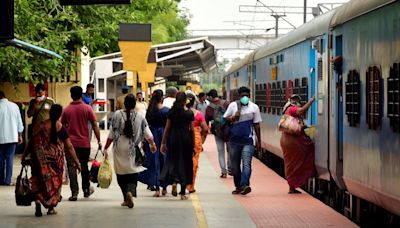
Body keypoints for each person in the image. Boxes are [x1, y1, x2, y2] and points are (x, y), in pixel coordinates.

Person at [21, 104, 81, 217]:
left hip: (38, 159)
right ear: (60, 114)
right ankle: (51, 208)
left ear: (50, 113)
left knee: (38, 179)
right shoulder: (61, 127)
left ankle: (38, 201)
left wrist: (24, 155)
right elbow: (69, 146)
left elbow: (30, 142)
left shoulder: (39, 125)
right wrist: (77, 162)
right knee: (54, 183)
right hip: (55, 162)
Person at [103, 94, 157, 208]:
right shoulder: (140, 116)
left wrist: (105, 147)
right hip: (132, 149)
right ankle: (130, 191)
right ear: (135, 104)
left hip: (118, 148)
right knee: (132, 173)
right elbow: (149, 135)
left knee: (121, 173)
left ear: (124, 103)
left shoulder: (117, 115)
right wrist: (152, 145)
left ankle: (125, 197)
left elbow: (111, 135)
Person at [61, 86, 102, 201]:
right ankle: (86, 190)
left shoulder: (67, 110)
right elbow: (94, 125)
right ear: (81, 95)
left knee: (71, 167)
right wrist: (99, 140)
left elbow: (61, 126)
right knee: (84, 166)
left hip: (70, 144)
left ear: (71, 95)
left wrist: (61, 141)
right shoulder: (87, 108)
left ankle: (74, 193)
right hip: (84, 143)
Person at [224, 86, 262, 195]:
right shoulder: (233, 106)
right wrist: (233, 118)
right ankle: (238, 186)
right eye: (242, 96)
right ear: (239, 96)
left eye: (246, 96)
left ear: (249, 96)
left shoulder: (254, 108)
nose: (244, 97)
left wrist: (259, 141)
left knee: (247, 164)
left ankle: (245, 185)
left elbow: (257, 125)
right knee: (235, 167)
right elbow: (224, 118)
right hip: (234, 141)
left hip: (248, 141)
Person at [160, 92, 194, 200]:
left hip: (173, 138)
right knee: (185, 163)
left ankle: (174, 181)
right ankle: (183, 193)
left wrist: (163, 143)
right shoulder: (189, 113)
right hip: (186, 139)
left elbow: (167, 128)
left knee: (173, 161)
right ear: (185, 101)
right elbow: (192, 130)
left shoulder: (171, 112)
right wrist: (193, 145)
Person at [280, 94, 316, 194]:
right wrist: (311, 101)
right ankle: (292, 186)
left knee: (292, 164)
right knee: (294, 164)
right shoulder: (291, 109)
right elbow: (301, 111)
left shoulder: (287, 109)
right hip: (293, 142)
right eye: (297, 100)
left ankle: (292, 186)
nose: (298, 102)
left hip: (288, 141)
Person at [138, 90, 169, 197]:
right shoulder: (166, 111)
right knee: (163, 161)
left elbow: (145, 127)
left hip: (152, 137)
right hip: (164, 137)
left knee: (154, 162)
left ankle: (157, 188)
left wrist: (143, 141)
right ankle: (164, 187)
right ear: (162, 98)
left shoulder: (150, 111)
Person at [205, 89, 231, 178]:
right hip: (228, 131)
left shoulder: (209, 107)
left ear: (211, 97)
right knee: (230, 150)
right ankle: (230, 167)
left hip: (217, 132)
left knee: (221, 152)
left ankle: (224, 171)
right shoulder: (226, 103)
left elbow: (206, 120)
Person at [186, 93, 208, 194]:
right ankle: (191, 186)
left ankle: (182, 183)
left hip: (182, 137)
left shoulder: (181, 113)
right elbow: (205, 129)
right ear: (194, 102)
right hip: (196, 138)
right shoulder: (198, 114)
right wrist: (202, 138)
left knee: (183, 160)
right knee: (194, 162)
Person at [0, 91, 23, 186]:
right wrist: (20, 135)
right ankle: (8, 180)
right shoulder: (14, 106)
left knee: (0, 160)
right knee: (10, 159)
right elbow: (19, 123)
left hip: (0, 138)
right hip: (12, 137)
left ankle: (1, 179)